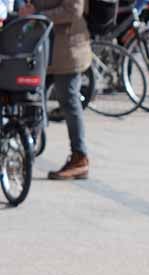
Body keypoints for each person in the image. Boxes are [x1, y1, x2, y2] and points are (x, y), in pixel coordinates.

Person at [19, 0, 90, 179]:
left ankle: (79, 157)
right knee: (33, 97)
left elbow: (73, 10)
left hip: (67, 47)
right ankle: (26, 152)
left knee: (69, 99)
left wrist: (38, 15)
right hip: (45, 47)